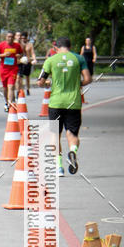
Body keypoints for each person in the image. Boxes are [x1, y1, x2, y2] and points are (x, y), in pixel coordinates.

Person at [38, 37, 91, 177]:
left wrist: (48, 83)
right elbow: (88, 79)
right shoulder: (79, 59)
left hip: (55, 103)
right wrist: (77, 84)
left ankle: (59, 167)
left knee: (55, 134)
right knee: (72, 133)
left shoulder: (51, 60)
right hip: (73, 102)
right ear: (70, 46)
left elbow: (40, 81)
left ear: (56, 47)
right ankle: (73, 151)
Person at [0, 30, 22, 111]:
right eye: (8, 37)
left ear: (13, 38)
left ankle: (10, 104)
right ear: (6, 37)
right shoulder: (1, 45)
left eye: (11, 37)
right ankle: (6, 102)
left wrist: (19, 55)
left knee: (11, 87)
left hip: (13, 69)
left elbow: (21, 53)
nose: (10, 38)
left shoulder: (17, 45)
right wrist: (3, 55)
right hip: (3, 70)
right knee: (5, 88)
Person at [17, 32, 36, 96]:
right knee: (20, 77)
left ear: (26, 38)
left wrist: (34, 59)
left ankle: (28, 88)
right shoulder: (19, 44)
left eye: (24, 38)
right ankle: (20, 89)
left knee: (27, 77)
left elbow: (32, 53)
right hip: (21, 62)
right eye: (22, 38)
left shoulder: (30, 44)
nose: (23, 39)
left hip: (27, 62)